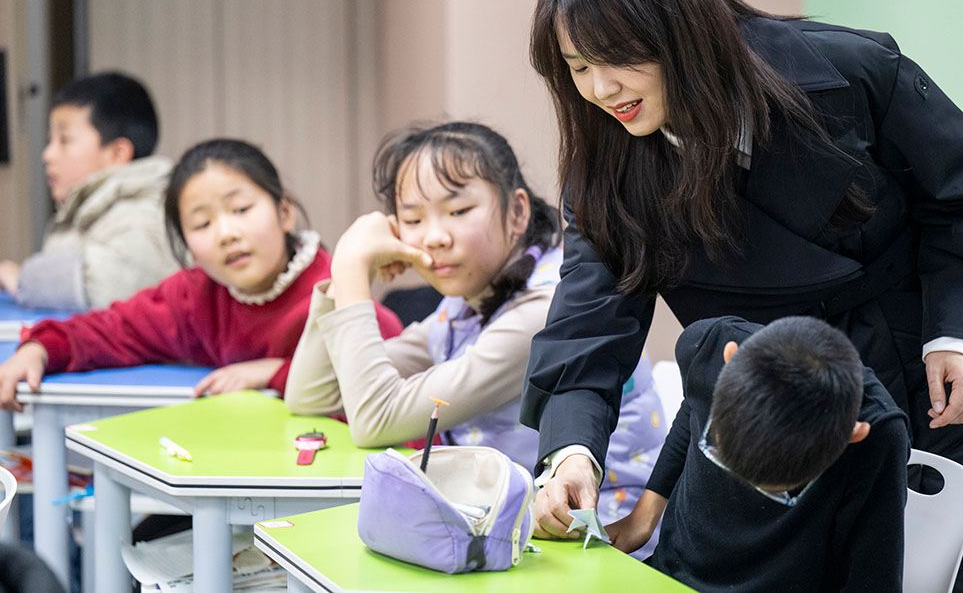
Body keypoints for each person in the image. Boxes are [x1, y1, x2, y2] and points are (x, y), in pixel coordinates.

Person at [521, 0, 963, 591]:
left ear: (683, 27)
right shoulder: (606, 176)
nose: (603, 89)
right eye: (579, 68)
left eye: (618, 57)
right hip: (776, 437)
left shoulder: (848, 72)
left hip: (936, 389)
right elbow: (588, 328)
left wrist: (958, 332)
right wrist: (571, 452)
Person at [285, 121, 666, 548]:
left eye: (458, 211)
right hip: (519, 536)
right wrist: (345, 278)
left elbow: (375, 420)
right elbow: (310, 395)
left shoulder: (544, 310)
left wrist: (351, 268)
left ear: (517, 211)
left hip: (600, 543)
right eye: (413, 218)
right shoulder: (464, 305)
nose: (434, 237)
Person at [0, 138, 402, 410]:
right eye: (202, 223)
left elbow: (391, 372)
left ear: (284, 213)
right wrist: (41, 348)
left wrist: (275, 372)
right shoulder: (193, 296)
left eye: (241, 209)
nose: (227, 233)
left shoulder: (333, 286)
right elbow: (113, 330)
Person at [608, 316, 909, 591]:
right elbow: (693, 406)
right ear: (729, 360)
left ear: (851, 436)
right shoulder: (706, 346)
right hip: (670, 576)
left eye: (776, 493)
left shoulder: (879, 439)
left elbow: (872, 580)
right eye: (718, 452)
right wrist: (644, 515)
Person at [0, 71, 178, 310]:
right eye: (50, 141)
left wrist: (21, 279)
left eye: (64, 140)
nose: (48, 154)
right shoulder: (84, 211)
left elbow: (102, 285)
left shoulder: (147, 212)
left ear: (117, 153)